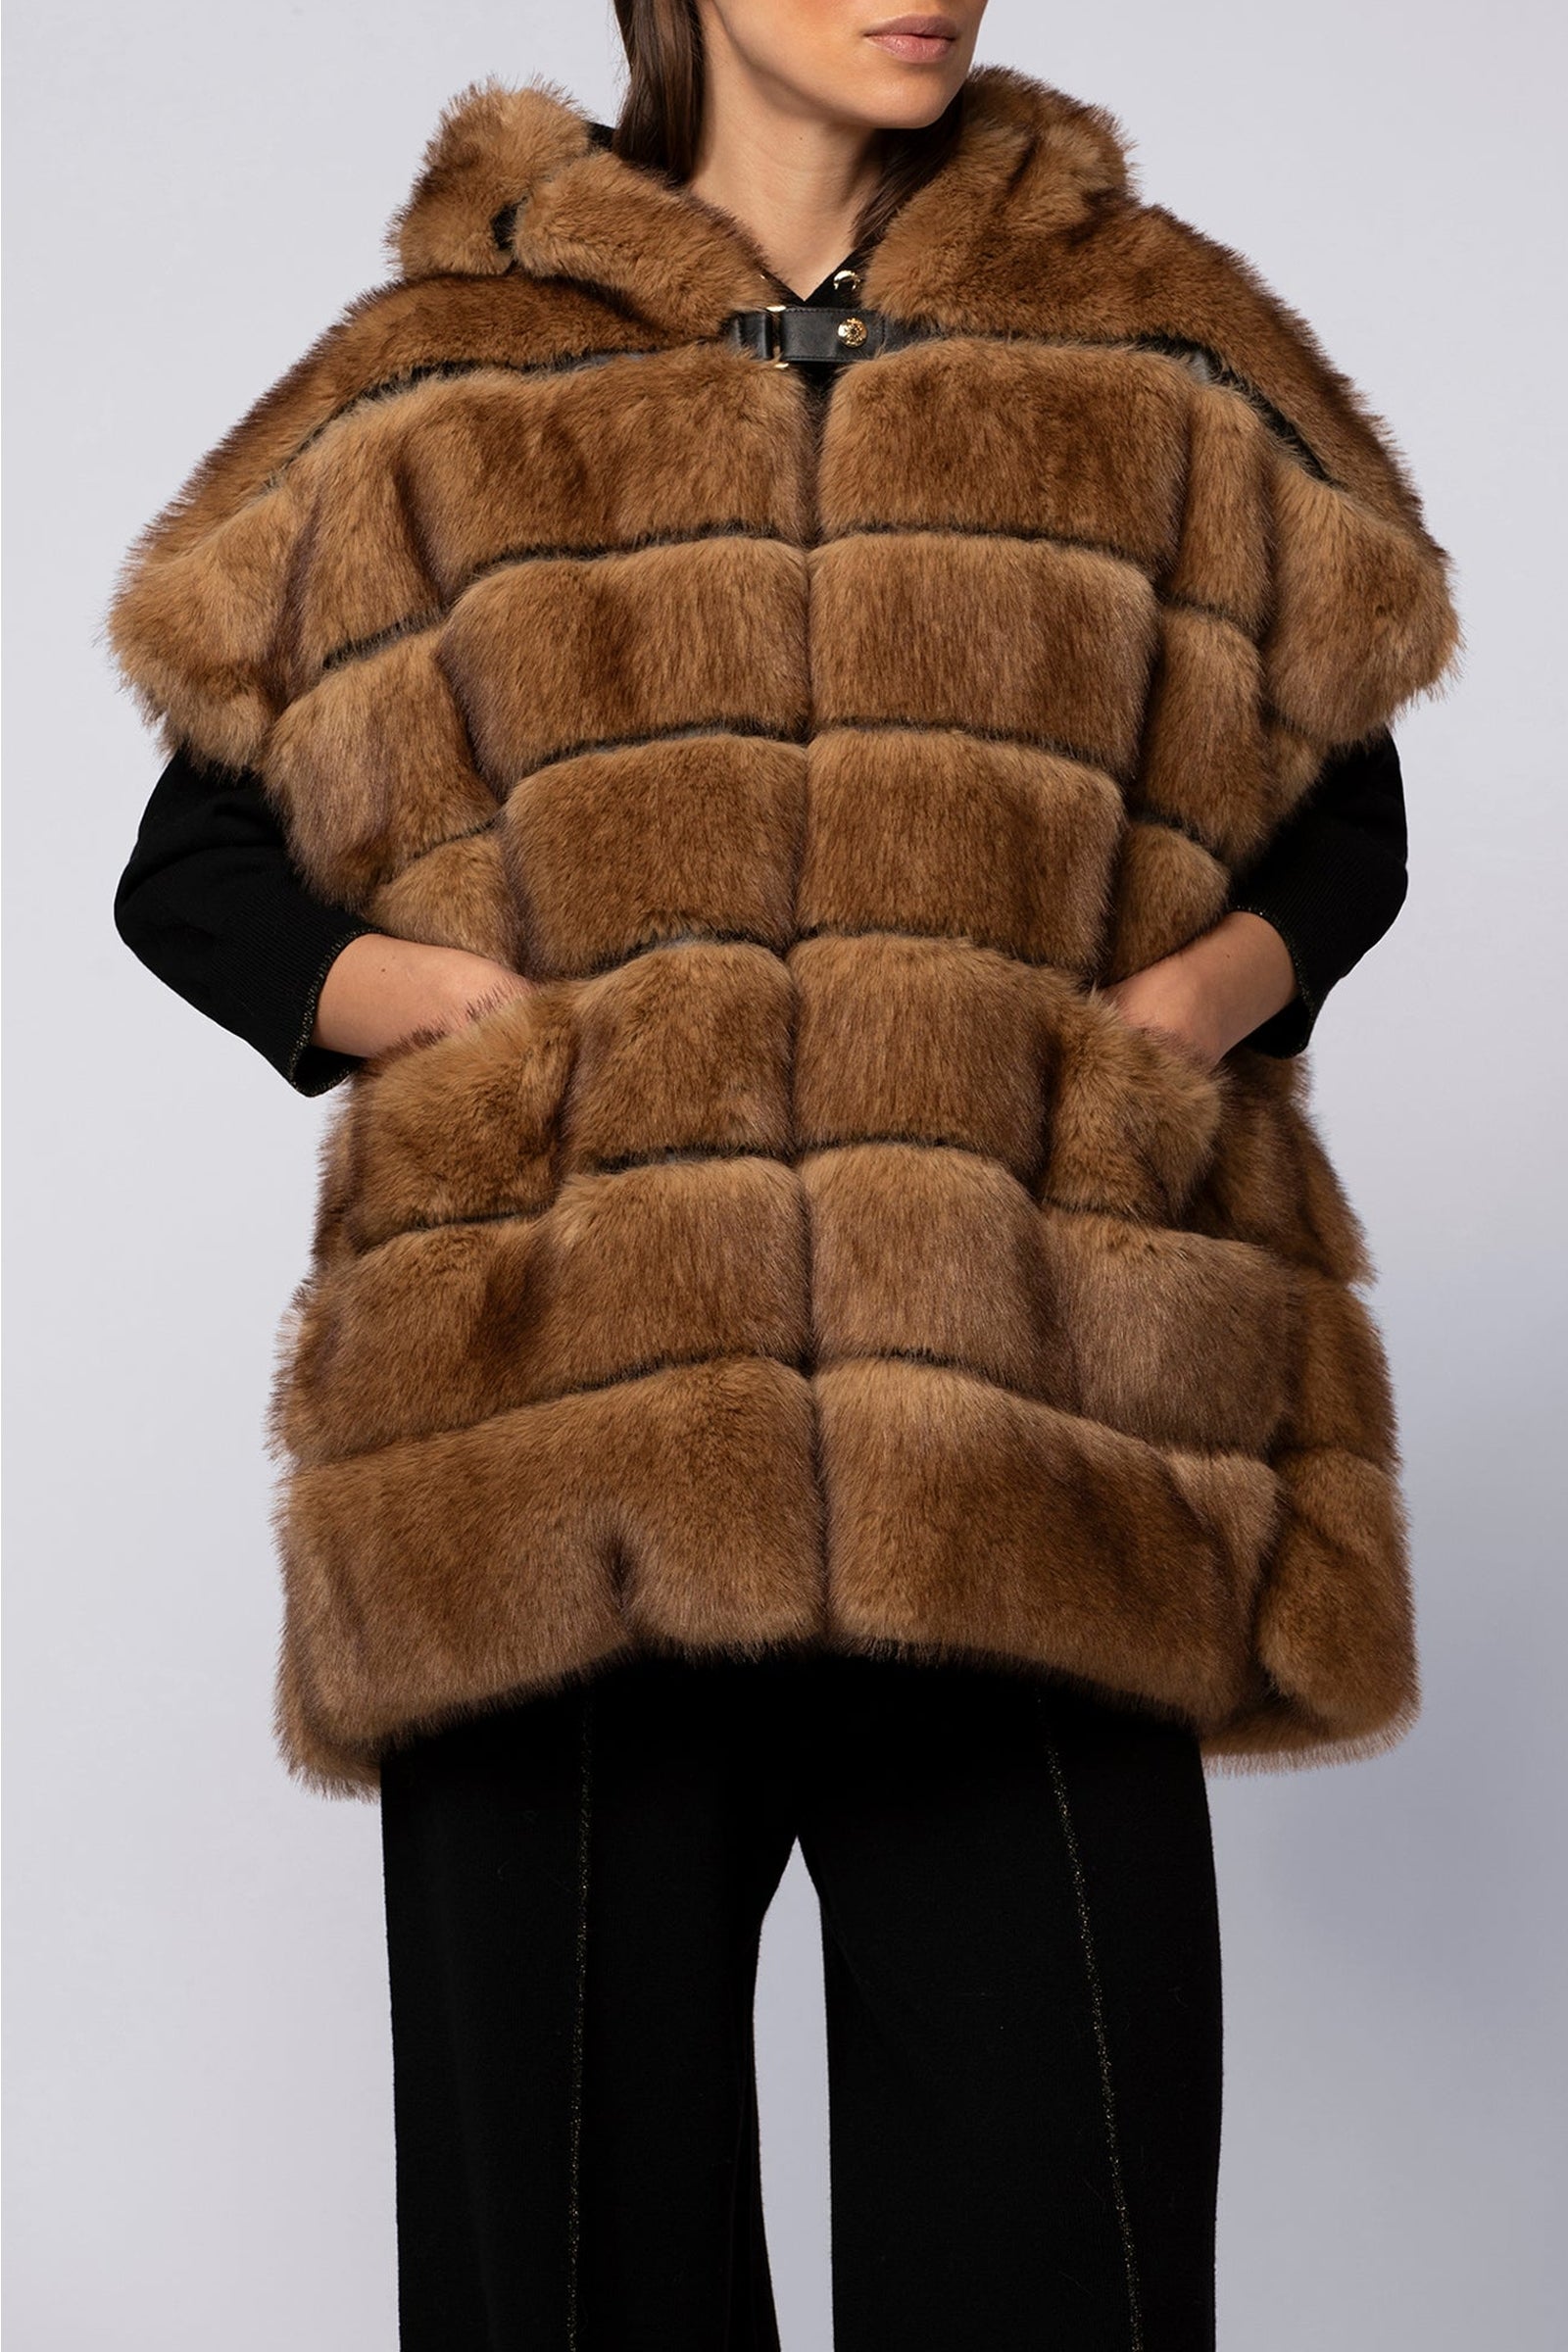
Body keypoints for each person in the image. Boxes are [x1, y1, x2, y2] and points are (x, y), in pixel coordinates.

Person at [107, 3, 1457, 2343]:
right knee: (561, 2273)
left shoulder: (1154, 349)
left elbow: (1336, 816)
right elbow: (196, 871)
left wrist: (1172, 1019)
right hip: (557, 1445)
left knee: (1063, 2252)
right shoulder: (439, 377)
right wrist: (448, 1019)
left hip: (1021, 1429)